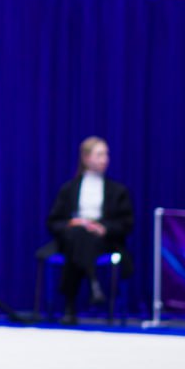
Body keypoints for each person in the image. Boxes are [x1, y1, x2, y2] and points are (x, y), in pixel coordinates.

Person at [46, 136, 133, 323]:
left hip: (103, 241)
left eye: (106, 155)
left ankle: (70, 303)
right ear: (86, 158)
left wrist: (103, 228)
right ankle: (93, 281)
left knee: (81, 240)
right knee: (78, 235)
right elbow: (54, 221)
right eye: (99, 155)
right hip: (72, 237)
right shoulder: (69, 189)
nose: (105, 159)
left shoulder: (117, 191)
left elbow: (126, 223)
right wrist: (73, 223)